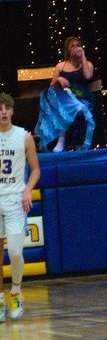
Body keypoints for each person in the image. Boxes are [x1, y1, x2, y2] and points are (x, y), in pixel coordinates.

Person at [0, 94, 40, 321]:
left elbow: (35, 169)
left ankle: (15, 293)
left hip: (15, 200)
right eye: (0, 109)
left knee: (15, 252)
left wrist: (27, 190)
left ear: (13, 111)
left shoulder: (24, 137)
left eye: (7, 108)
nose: (4, 112)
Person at [36, 37, 96, 152]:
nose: (75, 48)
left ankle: (63, 140)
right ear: (67, 50)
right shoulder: (60, 66)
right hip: (64, 97)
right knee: (50, 95)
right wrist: (59, 79)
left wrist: (82, 56)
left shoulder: (87, 64)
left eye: (78, 45)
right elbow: (51, 87)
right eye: (72, 46)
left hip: (81, 97)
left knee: (74, 108)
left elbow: (88, 76)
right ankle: (60, 140)